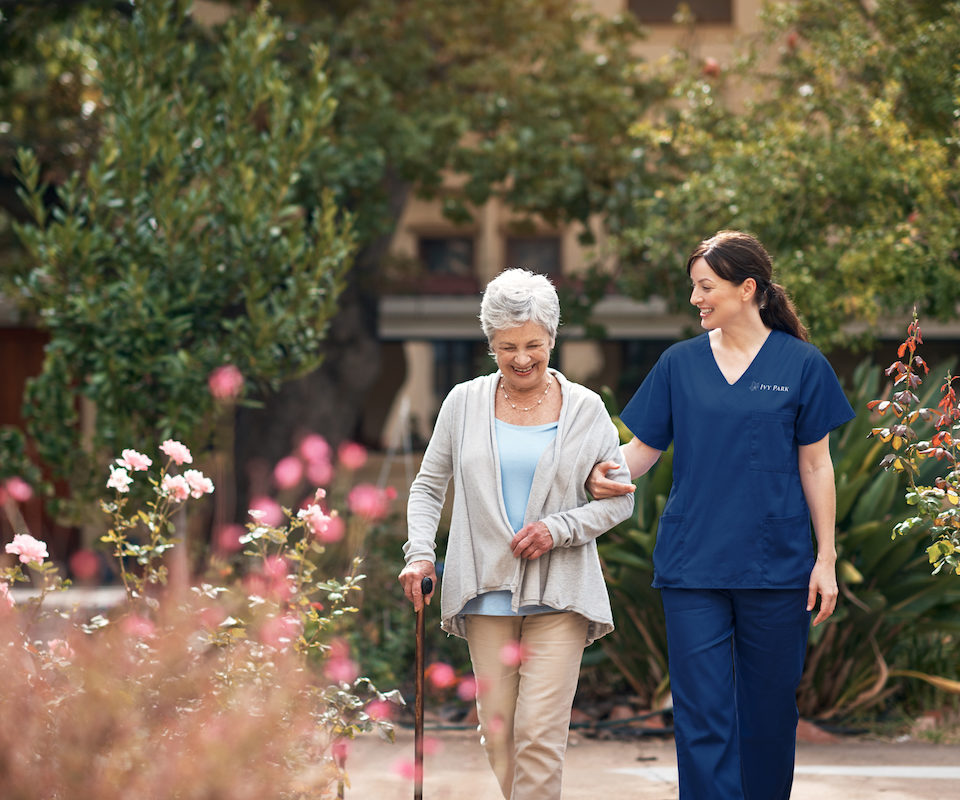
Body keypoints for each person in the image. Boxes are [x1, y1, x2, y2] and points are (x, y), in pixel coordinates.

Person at [587, 230, 854, 800]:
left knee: (769, 716)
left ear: (747, 288)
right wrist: (591, 476)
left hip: (776, 567)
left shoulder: (802, 365)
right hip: (693, 567)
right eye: (694, 288)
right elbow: (639, 453)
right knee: (701, 717)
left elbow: (817, 467)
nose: (696, 300)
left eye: (705, 287)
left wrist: (825, 559)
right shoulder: (678, 364)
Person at [399, 268, 634, 800]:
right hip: (485, 593)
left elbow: (621, 502)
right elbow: (427, 487)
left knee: (540, 735)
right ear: (490, 344)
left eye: (533, 344)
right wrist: (420, 555)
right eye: (507, 347)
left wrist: (559, 529)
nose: (522, 358)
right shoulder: (463, 403)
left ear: (552, 338)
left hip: (561, 593)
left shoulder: (585, 409)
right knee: (500, 733)